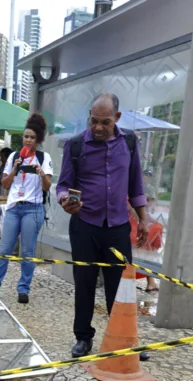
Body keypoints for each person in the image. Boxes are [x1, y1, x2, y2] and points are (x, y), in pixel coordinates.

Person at [56, 92, 149, 358]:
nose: (97, 127)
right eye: (93, 121)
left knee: (121, 286)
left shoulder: (129, 142)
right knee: (84, 283)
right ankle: (83, 338)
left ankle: (125, 338)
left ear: (117, 118)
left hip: (118, 226)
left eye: (104, 122)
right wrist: (65, 200)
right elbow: (63, 184)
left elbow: (136, 185)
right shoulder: (75, 146)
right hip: (84, 225)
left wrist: (142, 219)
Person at [0, 113, 53, 305]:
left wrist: (41, 173)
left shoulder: (44, 157)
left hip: (33, 209)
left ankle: (23, 289)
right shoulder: (14, 157)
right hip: (14, 208)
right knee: (5, 249)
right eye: (26, 136)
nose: (29, 140)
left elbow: (47, 186)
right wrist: (15, 168)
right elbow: (6, 184)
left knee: (27, 251)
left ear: (38, 139)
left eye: (33, 138)